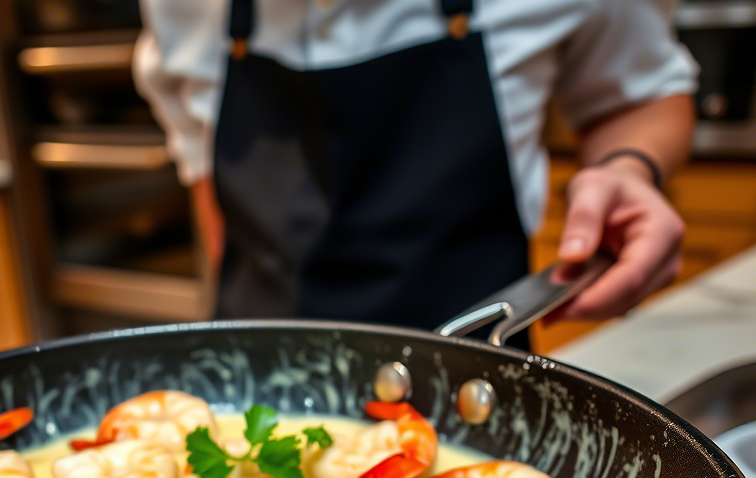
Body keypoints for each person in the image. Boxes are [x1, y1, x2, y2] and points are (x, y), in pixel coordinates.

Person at [133, 0, 697, 347]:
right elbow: (213, 189)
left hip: (477, 382)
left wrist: (631, 167)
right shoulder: (182, 8)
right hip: (253, 380)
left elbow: (640, 95)